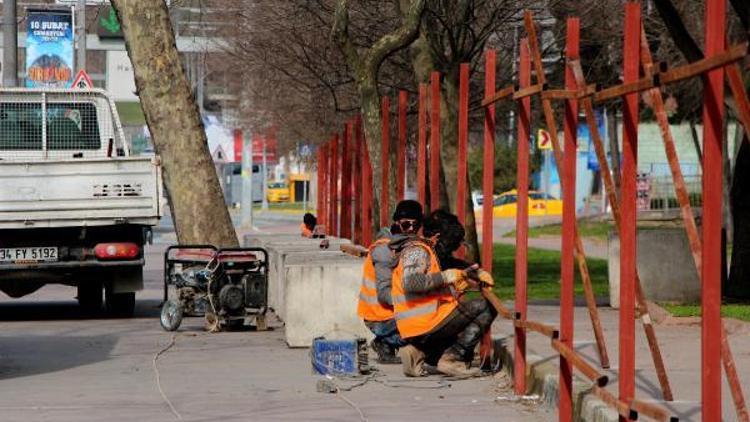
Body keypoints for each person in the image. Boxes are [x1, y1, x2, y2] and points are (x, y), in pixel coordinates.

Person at [391, 209, 496, 377]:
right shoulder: (417, 252)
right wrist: (446, 276)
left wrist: (472, 273)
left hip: (420, 324)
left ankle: (418, 352)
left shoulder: (429, 251)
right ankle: (453, 359)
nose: (452, 250)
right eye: (450, 244)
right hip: (422, 323)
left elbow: (448, 263)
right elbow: (411, 283)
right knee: (485, 307)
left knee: (461, 315)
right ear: (438, 237)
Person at [357, 200, 424, 364]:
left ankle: (386, 342)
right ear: (396, 222)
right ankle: (385, 340)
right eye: (406, 224)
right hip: (380, 317)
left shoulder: (406, 245)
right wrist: (418, 301)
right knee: (428, 326)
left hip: (390, 314)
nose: (411, 229)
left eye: (415, 225)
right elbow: (385, 295)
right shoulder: (385, 251)